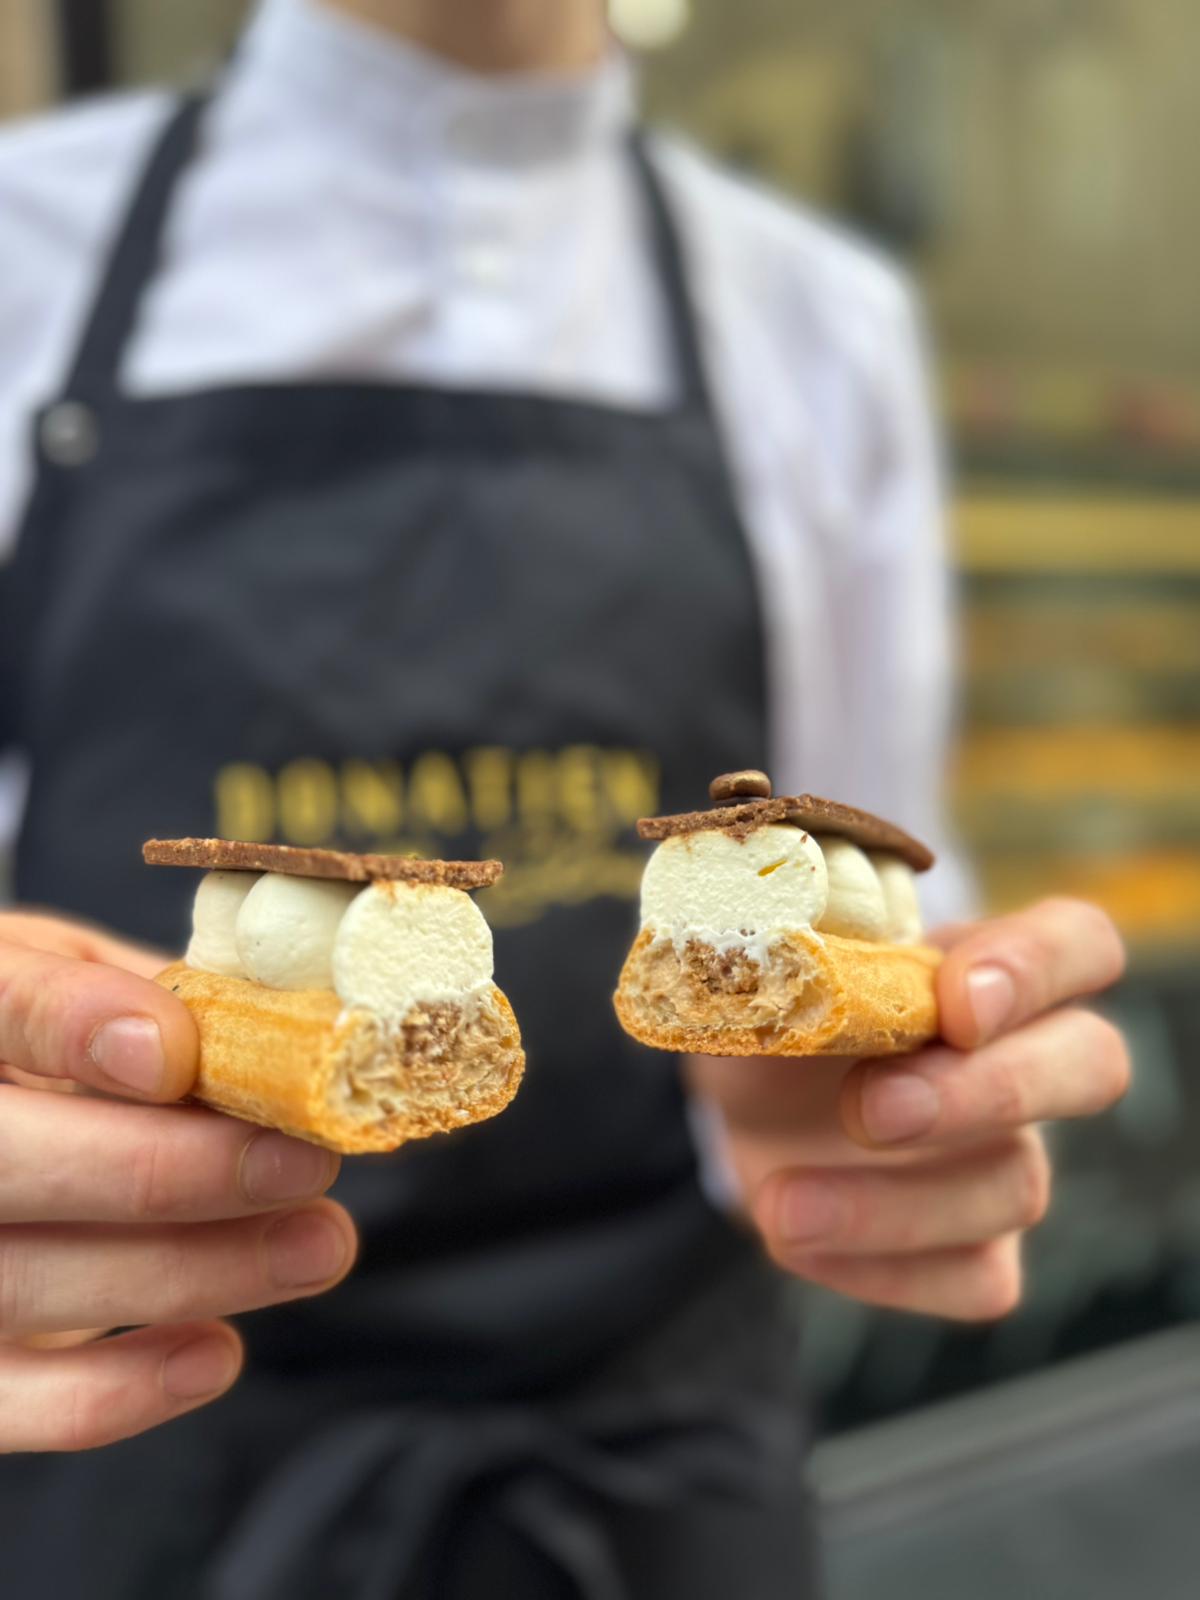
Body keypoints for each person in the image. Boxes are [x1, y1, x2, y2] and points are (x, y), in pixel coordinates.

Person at [0, 1, 1130, 1595]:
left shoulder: (819, 317)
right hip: (145, 1429)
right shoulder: (26, 248)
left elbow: (883, 897)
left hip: (656, 1454)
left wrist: (889, 1106)